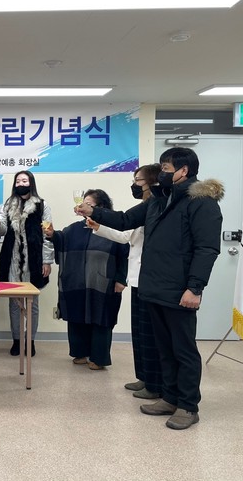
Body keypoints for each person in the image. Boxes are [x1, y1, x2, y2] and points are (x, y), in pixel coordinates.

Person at [75, 147, 223, 430]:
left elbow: (207, 249)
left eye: (166, 168)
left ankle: (188, 406)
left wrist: (195, 288)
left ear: (184, 171)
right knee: (163, 348)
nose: (162, 173)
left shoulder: (201, 203)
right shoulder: (158, 200)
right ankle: (169, 397)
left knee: (183, 350)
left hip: (179, 290)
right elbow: (124, 220)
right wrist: (93, 211)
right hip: (153, 287)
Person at [87, 164, 162, 397]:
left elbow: (122, 220)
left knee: (150, 335)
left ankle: (154, 383)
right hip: (138, 278)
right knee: (139, 334)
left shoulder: (158, 207)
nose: (134, 185)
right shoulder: (145, 208)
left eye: (138, 180)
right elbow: (125, 236)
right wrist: (99, 227)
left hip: (151, 279)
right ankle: (144, 377)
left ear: (152, 182)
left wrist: (94, 214)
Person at [47, 189, 129, 370]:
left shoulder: (113, 230)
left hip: (103, 282)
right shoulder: (74, 228)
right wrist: (52, 235)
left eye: (88, 204)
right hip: (76, 280)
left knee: (102, 317)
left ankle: (99, 358)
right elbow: (61, 240)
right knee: (76, 315)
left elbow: (124, 254)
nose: (82, 207)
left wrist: (121, 279)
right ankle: (79, 352)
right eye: (82, 203)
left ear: (101, 207)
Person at [0, 170, 54, 357]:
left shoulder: (42, 205)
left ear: (31, 183)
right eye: (18, 181)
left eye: (24, 180)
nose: (21, 183)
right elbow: (1, 231)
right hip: (11, 258)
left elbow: (48, 235)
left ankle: (30, 341)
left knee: (32, 303)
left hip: (34, 260)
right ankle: (17, 341)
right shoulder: (7, 204)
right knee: (14, 302)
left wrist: (47, 260)